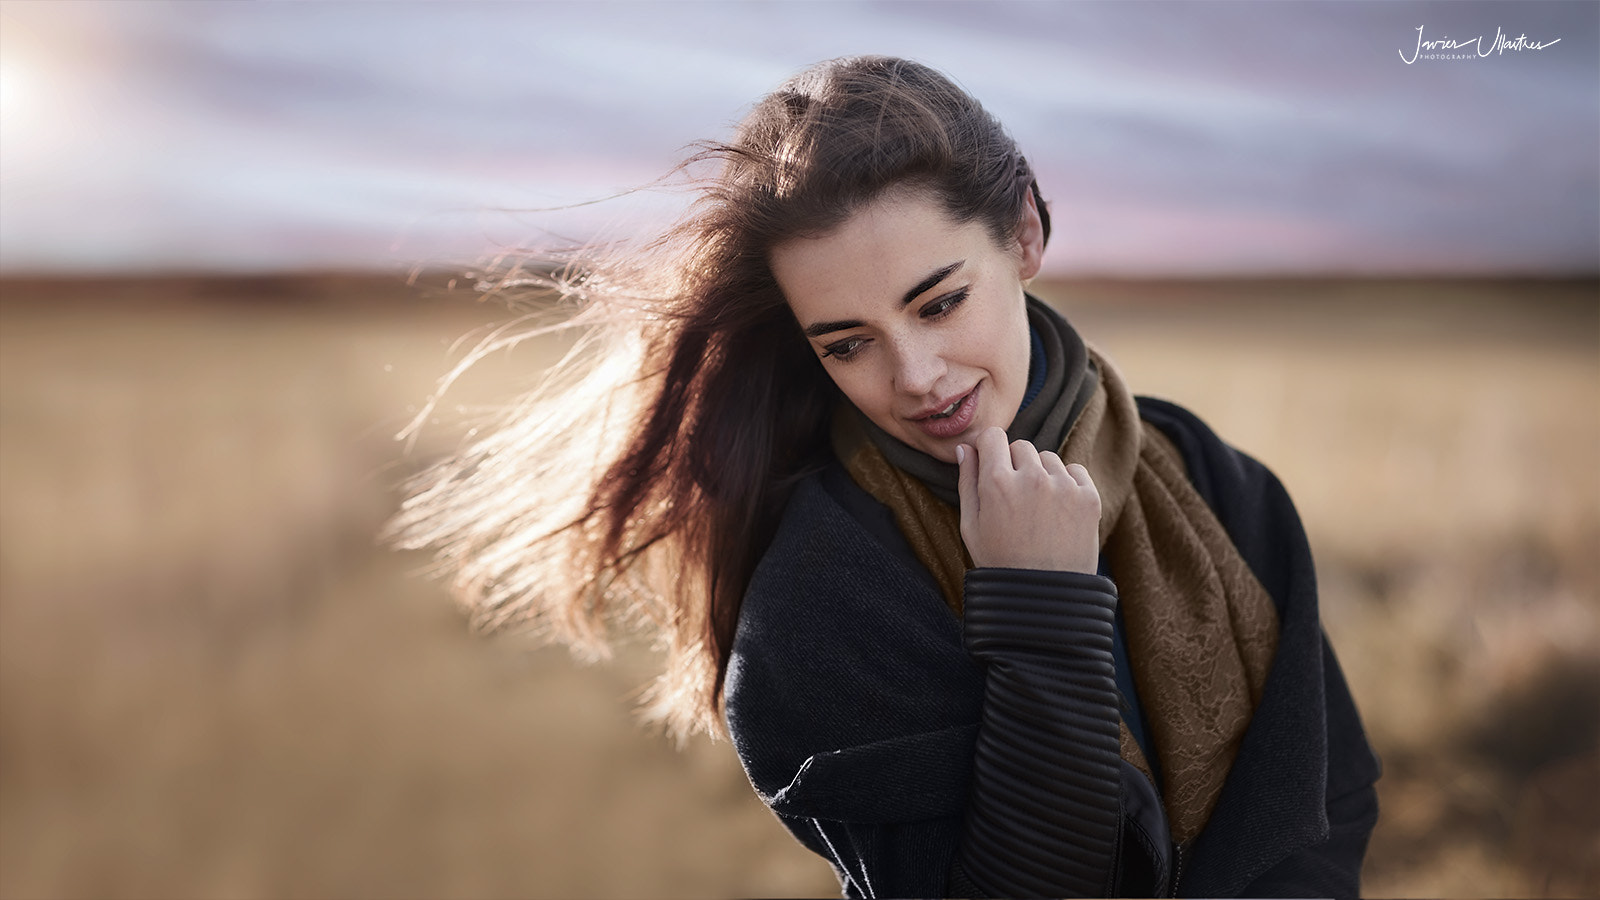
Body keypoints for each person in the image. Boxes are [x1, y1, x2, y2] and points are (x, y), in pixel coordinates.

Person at [388, 56, 1380, 898]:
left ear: (1025, 232)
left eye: (939, 304)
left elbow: (1328, 799)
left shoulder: (1209, 477)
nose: (915, 378)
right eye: (848, 343)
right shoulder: (817, 600)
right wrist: (1039, 609)